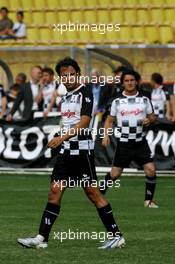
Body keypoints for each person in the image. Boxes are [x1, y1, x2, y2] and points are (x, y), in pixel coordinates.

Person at [17, 57, 125, 249]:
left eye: (71, 75)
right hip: (66, 153)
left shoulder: (85, 92)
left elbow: (84, 122)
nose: (68, 78)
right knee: (54, 192)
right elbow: (68, 123)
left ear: (78, 75)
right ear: (60, 78)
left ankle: (117, 236)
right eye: (64, 76)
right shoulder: (65, 97)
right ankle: (41, 239)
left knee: (93, 193)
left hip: (81, 152)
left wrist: (61, 138)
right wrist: (59, 135)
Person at [100, 69, 158, 209]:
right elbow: (109, 120)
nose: (130, 83)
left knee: (151, 170)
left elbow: (153, 117)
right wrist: (105, 135)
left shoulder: (145, 98)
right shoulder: (117, 100)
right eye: (127, 80)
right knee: (114, 174)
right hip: (124, 143)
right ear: (123, 83)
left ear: (136, 81)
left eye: (132, 80)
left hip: (140, 142)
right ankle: (97, 194)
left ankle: (148, 201)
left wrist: (149, 120)